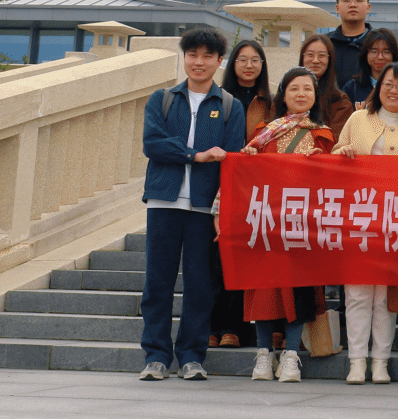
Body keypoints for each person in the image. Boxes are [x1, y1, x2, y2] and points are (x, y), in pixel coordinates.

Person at [137, 27, 241, 382]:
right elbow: (153, 143)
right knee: (157, 283)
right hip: (163, 202)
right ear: (184, 58)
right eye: (192, 54)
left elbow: (232, 159)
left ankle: (192, 356)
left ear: (219, 61)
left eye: (207, 56)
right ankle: (155, 355)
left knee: (199, 285)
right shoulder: (162, 99)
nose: (199, 62)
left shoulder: (229, 106)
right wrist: (195, 156)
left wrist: (223, 210)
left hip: (203, 208)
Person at [332, 61, 398, 384]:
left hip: (396, 219)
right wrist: (343, 152)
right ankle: (357, 360)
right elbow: (335, 155)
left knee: (386, 296)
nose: (394, 90)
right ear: (378, 87)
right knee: (357, 292)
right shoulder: (358, 118)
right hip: (358, 215)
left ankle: (381, 361)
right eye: (388, 84)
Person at [240, 66, 335, 383]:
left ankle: (291, 355)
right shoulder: (263, 132)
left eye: (307, 89)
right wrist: (249, 156)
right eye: (294, 88)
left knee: (299, 290)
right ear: (283, 94)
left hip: (303, 224)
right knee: (264, 291)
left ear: (315, 95)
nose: (301, 94)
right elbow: (247, 175)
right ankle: (263, 354)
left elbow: (332, 182)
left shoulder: (323, 135)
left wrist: (329, 162)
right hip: (267, 222)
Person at [210, 39, 271, 350]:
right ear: (232, 63)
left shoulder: (272, 104)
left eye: (255, 60)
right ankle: (214, 325)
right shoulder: (218, 99)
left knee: (248, 258)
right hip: (221, 183)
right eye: (242, 59)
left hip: (258, 187)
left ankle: (236, 328)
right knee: (218, 257)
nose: (249, 65)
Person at [297, 32, 355, 135]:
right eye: (310, 55)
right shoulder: (286, 94)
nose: (315, 60)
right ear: (302, 58)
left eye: (322, 55)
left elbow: (337, 139)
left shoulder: (341, 102)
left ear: (329, 59)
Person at [326, 0, 374, 93]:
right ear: (337, 8)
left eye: (359, 0)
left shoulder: (378, 44)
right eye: (346, 0)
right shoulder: (325, 44)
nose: (352, 5)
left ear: (368, 7)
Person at [342, 28, 398, 106]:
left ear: (394, 55)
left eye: (386, 52)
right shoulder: (352, 88)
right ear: (366, 54)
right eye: (374, 51)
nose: (380, 57)